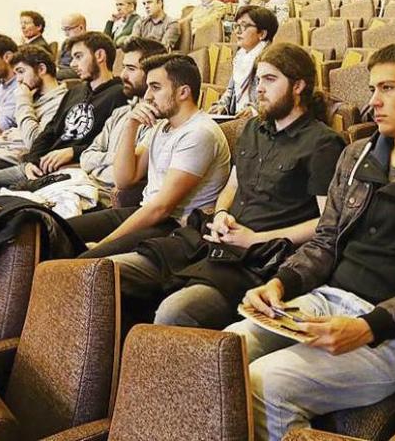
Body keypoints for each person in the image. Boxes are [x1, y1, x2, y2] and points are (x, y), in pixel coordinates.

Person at [226, 40, 395, 440]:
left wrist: (369, 327)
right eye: (372, 89)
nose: (373, 101)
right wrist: (281, 283)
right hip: (324, 300)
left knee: (262, 384)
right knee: (222, 354)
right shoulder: (356, 156)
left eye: (387, 88)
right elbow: (324, 242)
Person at [105, 43, 345, 330]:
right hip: (215, 240)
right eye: (258, 80)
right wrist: (220, 214)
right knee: (108, 274)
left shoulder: (323, 144)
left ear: (298, 86)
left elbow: (325, 223)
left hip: (259, 261)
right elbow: (231, 186)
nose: (260, 88)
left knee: (174, 311)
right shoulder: (254, 129)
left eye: (270, 80)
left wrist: (256, 238)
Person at [69, 53, 231, 258]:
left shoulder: (199, 133)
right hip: (146, 211)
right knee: (60, 230)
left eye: (155, 87)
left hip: (176, 227)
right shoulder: (162, 125)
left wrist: (102, 244)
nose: (147, 96)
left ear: (183, 92)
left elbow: (162, 208)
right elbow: (125, 179)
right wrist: (130, 125)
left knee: (83, 260)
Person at [0, 32, 127, 188]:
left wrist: (73, 152)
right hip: (37, 166)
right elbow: (49, 131)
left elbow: (110, 146)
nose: (73, 64)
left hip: (68, 171)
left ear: (100, 55)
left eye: (79, 56)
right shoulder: (77, 91)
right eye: (72, 57)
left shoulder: (119, 94)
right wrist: (31, 161)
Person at [79, 38, 166, 201]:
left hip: (105, 197)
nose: (122, 75)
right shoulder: (120, 112)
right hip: (86, 185)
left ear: (151, 74)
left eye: (131, 69)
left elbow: (118, 177)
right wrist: (118, 157)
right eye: (124, 67)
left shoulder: (159, 123)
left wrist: (98, 166)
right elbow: (85, 158)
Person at [210, 6, 278, 117]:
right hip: (237, 117)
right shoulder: (240, 56)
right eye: (236, 26)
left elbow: (274, 97)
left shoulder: (272, 60)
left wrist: (254, 109)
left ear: (262, 34)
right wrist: (222, 105)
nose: (237, 31)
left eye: (244, 26)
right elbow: (231, 90)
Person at [57, 13, 86, 80]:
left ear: (81, 28)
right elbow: (60, 64)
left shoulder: (87, 45)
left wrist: (52, 73)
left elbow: (80, 70)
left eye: (68, 29)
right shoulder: (66, 42)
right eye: (64, 30)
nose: (66, 34)